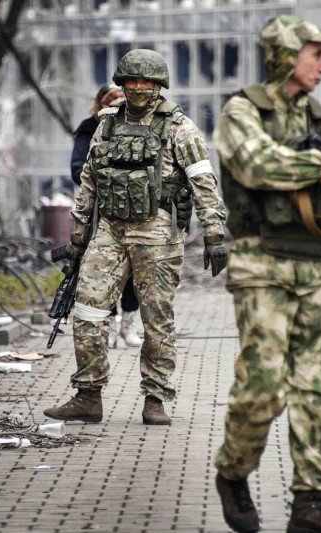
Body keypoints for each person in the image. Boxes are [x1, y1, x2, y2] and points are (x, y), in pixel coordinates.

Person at [212, 16, 321, 533]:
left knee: (316, 389)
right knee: (263, 388)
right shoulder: (242, 110)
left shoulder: (319, 118)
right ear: (287, 56)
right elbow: (258, 166)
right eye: (316, 55)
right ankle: (233, 472)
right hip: (261, 263)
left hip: (317, 267)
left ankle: (311, 503)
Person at [44, 49, 228, 426]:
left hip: (157, 235)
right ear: (122, 83)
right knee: (88, 311)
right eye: (132, 81)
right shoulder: (107, 125)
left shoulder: (180, 129)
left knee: (157, 319)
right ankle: (88, 395)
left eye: (147, 82)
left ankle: (156, 398)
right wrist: (78, 238)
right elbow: (89, 184)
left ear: (160, 85)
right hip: (109, 232)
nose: (140, 88)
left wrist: (215, 234)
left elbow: (204, 183)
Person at [70, 83, 142, 349]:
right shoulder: (89, 128)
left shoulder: (139, 126)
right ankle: (109, 326)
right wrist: (104, 178)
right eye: (111, 102)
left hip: (135, 212)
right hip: (100, 212)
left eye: (121, 101)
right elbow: (77, 168)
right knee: (104, 273)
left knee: (135, 271)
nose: (116, 107)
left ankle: (128, 326)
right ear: (100, 104)